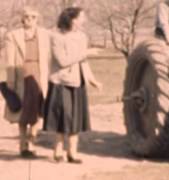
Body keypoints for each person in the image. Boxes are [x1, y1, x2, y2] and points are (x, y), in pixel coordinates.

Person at [43, 7, 102, 163]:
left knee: (76, 119)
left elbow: (83, 62)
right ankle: (58, 152)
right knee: (63, 118)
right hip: (61, 83)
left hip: (77, 82)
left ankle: (72, 153)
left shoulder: (82, 37)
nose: (84, 20)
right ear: (72, 19)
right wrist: (86, 53)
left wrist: (91, 79)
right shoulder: (56, 36)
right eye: (81, 17)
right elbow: (63, 61)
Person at [4, 7, 51, 158]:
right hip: (21, 74)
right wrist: (11, 79)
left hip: (39, 74)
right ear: (22, 19)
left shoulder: (44, 34)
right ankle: (23, 146)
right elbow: (9, 60)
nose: (29, 19)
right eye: (27, 17)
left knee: (38, 110)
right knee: (22, 111)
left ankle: (32, 142)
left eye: (33, 17)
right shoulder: (13, 35)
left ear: (37, 19)